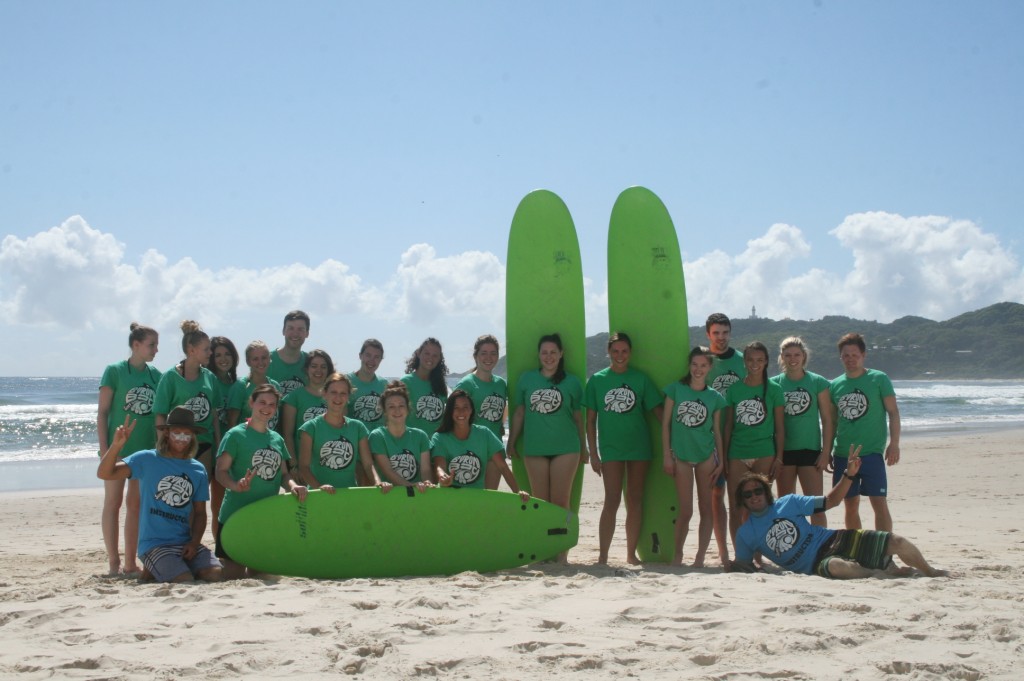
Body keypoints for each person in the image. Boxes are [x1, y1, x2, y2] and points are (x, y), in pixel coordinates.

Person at [727, 446, 946, 579]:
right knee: (838, 567)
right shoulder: (746, 534)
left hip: (834, 538)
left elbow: (831, 501)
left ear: (767, 493)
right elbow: (743, 564)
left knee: (897, 542)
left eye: (758, 491)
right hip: (814, 564)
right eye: (748, 495)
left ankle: (930, 571)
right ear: (742, 501)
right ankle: (878, 573)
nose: (754, 496)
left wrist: (848, 475)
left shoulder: (789, 502)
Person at [97, 408, 222, 583]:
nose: (181, 438)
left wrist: (194, 543)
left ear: (193, 436)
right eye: (176, 432)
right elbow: (105, 473)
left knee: (215, 575)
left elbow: (200, 513)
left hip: (184, 543)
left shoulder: (197, 469)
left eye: (187, 434)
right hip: (154, 544)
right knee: (184, 580)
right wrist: (116, 445)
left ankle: (153, 572)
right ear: (166, 433)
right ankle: (156, 567)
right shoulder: (147, 459)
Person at [584, 332, 663, 565]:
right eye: (615, 351)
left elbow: (658, 413)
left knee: (635, 499)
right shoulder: (597, 380)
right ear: (609, 352)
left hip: (639, 448)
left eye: (624, 351)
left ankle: (630, 554)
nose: (620, 356)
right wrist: (593, 453)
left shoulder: (641, 379)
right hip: (611, 450)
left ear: (630, 353)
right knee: (611, 500)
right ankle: (603, 556)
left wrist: (678, 432)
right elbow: (590, 420)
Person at [215, 383, 307, 579]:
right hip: (236, 514)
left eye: (272, 405)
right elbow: (220, 472)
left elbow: (283, 475)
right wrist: (236, 485)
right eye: (262, 402)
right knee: (234, 575)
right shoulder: (235, 435)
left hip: (264, 515)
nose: (266, 408)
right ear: (251, 403)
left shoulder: (276, 439)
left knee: (261, 572)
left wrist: (293, 486)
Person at [97, 322, 161, 575]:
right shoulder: (114, 371)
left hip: (144, 453)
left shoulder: (156, 375)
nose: (156, 350)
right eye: (151, 345)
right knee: (113, 503)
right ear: (136, 345)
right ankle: (114, 562)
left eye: (156, 345)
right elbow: (102, 413)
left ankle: (130, 563)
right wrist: (105, 448)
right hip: (118, 450)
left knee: (136, 506)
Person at [507, 333, 587, 526]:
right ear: (539, 355)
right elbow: (519, 414)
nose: (549, 356)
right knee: (540, 503)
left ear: (561, 354)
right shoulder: (527, 379)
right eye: (544, 352)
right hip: (535, 448)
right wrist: (511, 442)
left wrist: (584, 448)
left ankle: (561, 555)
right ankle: (543, 554)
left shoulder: (572, 382)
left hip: (566, 448)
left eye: (553, 352)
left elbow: (578, 418)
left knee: (560, 503)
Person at [829, 332, 901, 532]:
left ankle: (883, 552)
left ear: (863, 355)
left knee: (879, 503)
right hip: (844, 453)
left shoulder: (878, 379)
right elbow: (833, 422)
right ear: (840, 357)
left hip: (871, 453)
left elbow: (893, 413)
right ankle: (856, 548)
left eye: (854, 354)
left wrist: (894, 444)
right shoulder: (834, 385)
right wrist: (827, 451)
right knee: (850, 505)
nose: (850, 359)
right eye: (846, 355)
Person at [662, 347, 726, 567]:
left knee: (707, 508)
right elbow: (665, 425)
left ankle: (700, 557)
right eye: (695, 365)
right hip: (681, 456)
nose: (698, 370)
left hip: (706, 456)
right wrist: (667, 456)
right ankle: (677, 554)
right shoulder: (676, 390)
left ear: (710, 368)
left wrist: (722, 462)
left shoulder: (714, 397)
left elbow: (717, 431)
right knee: (686, 510)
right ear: (689, 365)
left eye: (703, 365)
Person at [723, 341, 784, 545]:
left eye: (759, 360)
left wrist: (779, 458)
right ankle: (741, 553)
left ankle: (758, 553)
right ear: (744, 361)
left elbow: (779, 428)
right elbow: (728, 426)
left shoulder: (774, 390)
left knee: (760, 507)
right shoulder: (734, 390)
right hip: (737, 452)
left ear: (766, 361)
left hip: (765, 452)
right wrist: (724, 458)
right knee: (736, 506)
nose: (754, 364)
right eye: (750, 360)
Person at [770, 337, 834, 527]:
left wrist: (825, 452)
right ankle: (792, 550)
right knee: (786, 506)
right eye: (788, 355)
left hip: (810, 451)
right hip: (784, 452)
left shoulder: (817, 382)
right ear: (781, 357)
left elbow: (827, 420)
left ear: (804, 356)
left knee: (815, 506)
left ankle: (820, 547)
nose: (792, 359)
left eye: (797, 354)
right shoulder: (774, 384)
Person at [430, 389, 528, 501]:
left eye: (465, 407)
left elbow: (502, 467)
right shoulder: (440, 437)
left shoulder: (484, 434)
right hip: (448, 498)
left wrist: (517, 491)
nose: (461, 412)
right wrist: (443, 476)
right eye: (456, 408)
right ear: (449, 411)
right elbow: (439, 466)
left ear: (471, 410)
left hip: (477, 499)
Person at [299, 372, 389, 492]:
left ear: (348, 397)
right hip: (319, 496)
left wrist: (378, 482)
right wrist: (319, 488)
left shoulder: (358, 427)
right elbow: (304, 467)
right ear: (325, 394)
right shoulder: (310, 428)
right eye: (333, 392)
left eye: (343, 393)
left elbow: (368, 464)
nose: (338, 397)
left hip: (348, 495)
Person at [154, 320, 221, 477]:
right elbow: (160, 415)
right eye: (206, 349)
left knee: (200, 490)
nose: (210, 353)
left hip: (204, 443)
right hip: (177, 443)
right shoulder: (170, 377)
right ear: (191, 350)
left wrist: (218, 444)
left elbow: (214, 415)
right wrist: (162, 447)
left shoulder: (210, 378)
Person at [704, 312, 745, 564]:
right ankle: (723, 553)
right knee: (716, 496)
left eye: (725, 332)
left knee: (740, 497)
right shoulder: (703, 361)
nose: (721, 337)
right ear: (708, 334)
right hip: (712, 438)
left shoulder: (742, 360)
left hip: (741, 435)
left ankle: (744, 550)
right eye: (716, 333)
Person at [454, 334, 508, 490]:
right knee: (470, 503)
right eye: (483, 353)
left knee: (489, 500)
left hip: (495, 450)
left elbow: (503, 410)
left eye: (493, 353)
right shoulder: (466, 383)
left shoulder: (501, 384)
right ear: (476, 356)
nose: (488, 357)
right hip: (470, 450)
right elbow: (454, 416)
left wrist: (501, 427)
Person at [369, 381, 434, 490]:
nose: (397, 410)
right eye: (391, 407)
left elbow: (425, 470)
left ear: (408, 409)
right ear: (384, 411)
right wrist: (409, 486)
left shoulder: (421, 436)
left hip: (418, 494)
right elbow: (387, 470)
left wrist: (427, 483)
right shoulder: (377, 436)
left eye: (401, 406)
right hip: (389, 495)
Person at [279, 349, 332, 474]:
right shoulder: (293, 398)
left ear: (328, 370)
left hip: (330, 464)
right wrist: (293, 466)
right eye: (314, 366)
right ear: (307, 369)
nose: (318, 371)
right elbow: (288, 435)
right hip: (303, 467)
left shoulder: (336, 397)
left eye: (323, 367)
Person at [226, 341, 282, 429]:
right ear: (248, 362)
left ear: (269, 358)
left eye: (264, 358)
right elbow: (231, 423)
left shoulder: (275, 386)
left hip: (269, 441)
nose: (260, 362)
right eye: (255, 359)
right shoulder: (241, 386)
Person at [401, 338, 449, 436]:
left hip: (436, 446)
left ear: (439, 359)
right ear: (419, 353)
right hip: (412, 445)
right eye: (427, 353)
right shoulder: (406, 382)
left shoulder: (441, 385)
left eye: (435, 355)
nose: (430, 358)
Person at [348, 339, 388, 432]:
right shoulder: (346, 381)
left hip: (378, 441)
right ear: (360, 356)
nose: (371, 360)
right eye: (368, 355)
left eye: (376, 357)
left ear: (381, 360)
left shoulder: (385, 385)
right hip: (354, 440)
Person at [267, 310, 310, 396]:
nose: (295, 333)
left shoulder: (311, 363)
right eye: (291, 328)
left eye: (300, 329)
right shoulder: (266, 360)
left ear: (307, 333)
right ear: (283, 331)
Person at [207, 336, 241, 437]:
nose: (223, 359)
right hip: (210, 444)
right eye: (218, 355)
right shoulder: (207, 384)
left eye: (227, 354)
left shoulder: (239, 385)